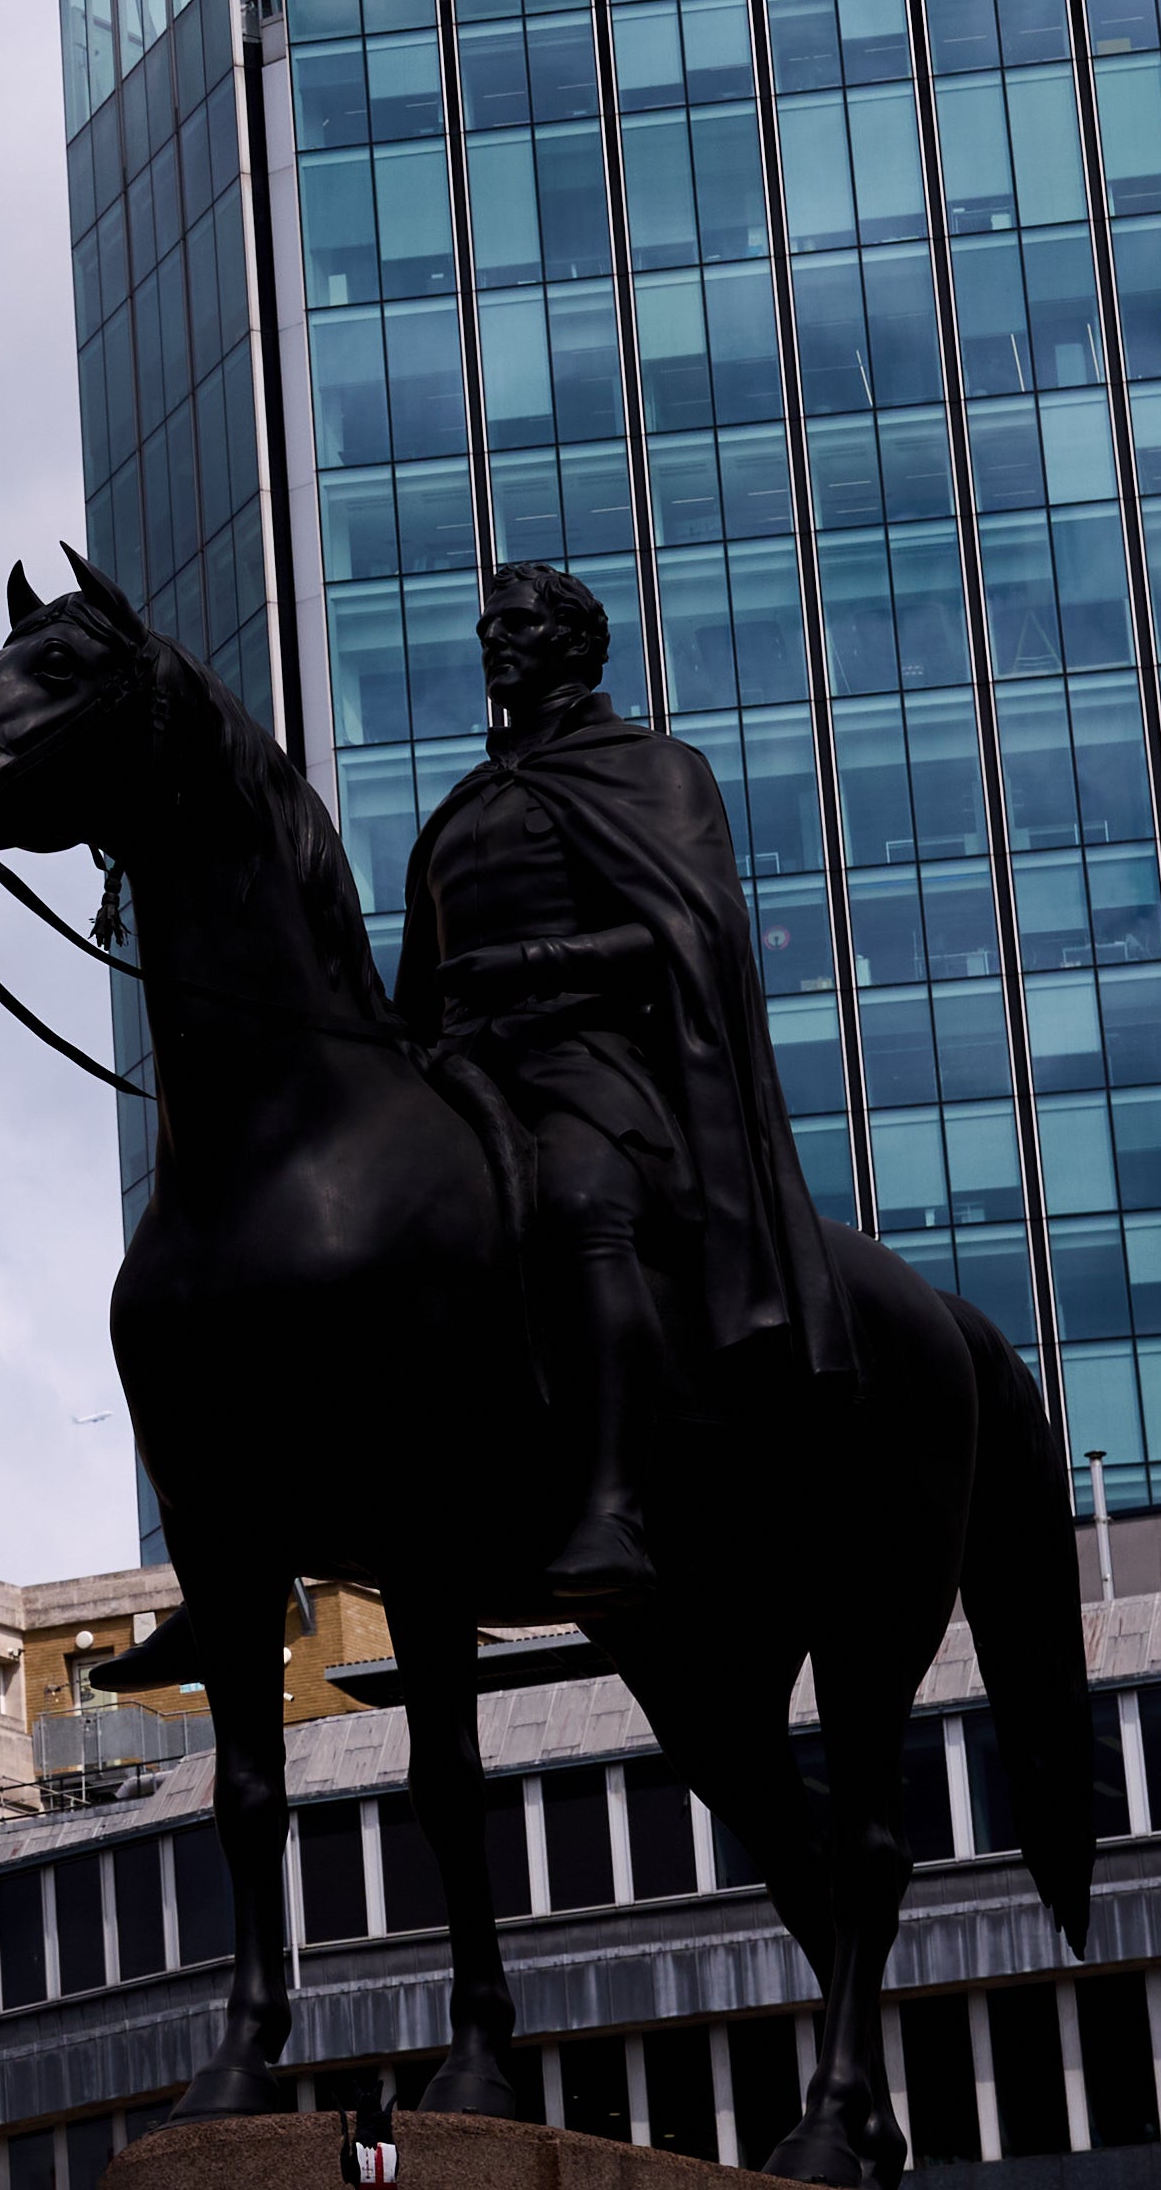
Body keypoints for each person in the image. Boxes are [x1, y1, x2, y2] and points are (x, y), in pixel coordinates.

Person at [395, 560, 848, 1599]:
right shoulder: (466, 805)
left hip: (591, 1062)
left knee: (581, 1201)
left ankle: (615, 1501)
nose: (493, 644)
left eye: (513, 626)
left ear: (572, 642)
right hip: (463, 1068)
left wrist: (537, 965)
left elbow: (695, 930)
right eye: (486, 630)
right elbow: (419, 981)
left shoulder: (652, 770)